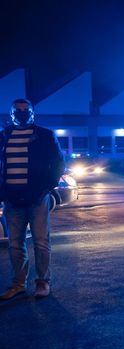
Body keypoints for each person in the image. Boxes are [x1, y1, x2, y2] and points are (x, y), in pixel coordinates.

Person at [0, 98, 65, 300]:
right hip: (12, 199)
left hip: (37, 198)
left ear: (32, 113)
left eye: (26, 110)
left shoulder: (45, 135)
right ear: (11, 114)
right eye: (18, 110)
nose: (22, 113)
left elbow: (58, 163)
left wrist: (47, 187)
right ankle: (18, 284)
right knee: (15, 244)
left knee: (41, 241)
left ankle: (43, 282)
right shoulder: (3, 136)